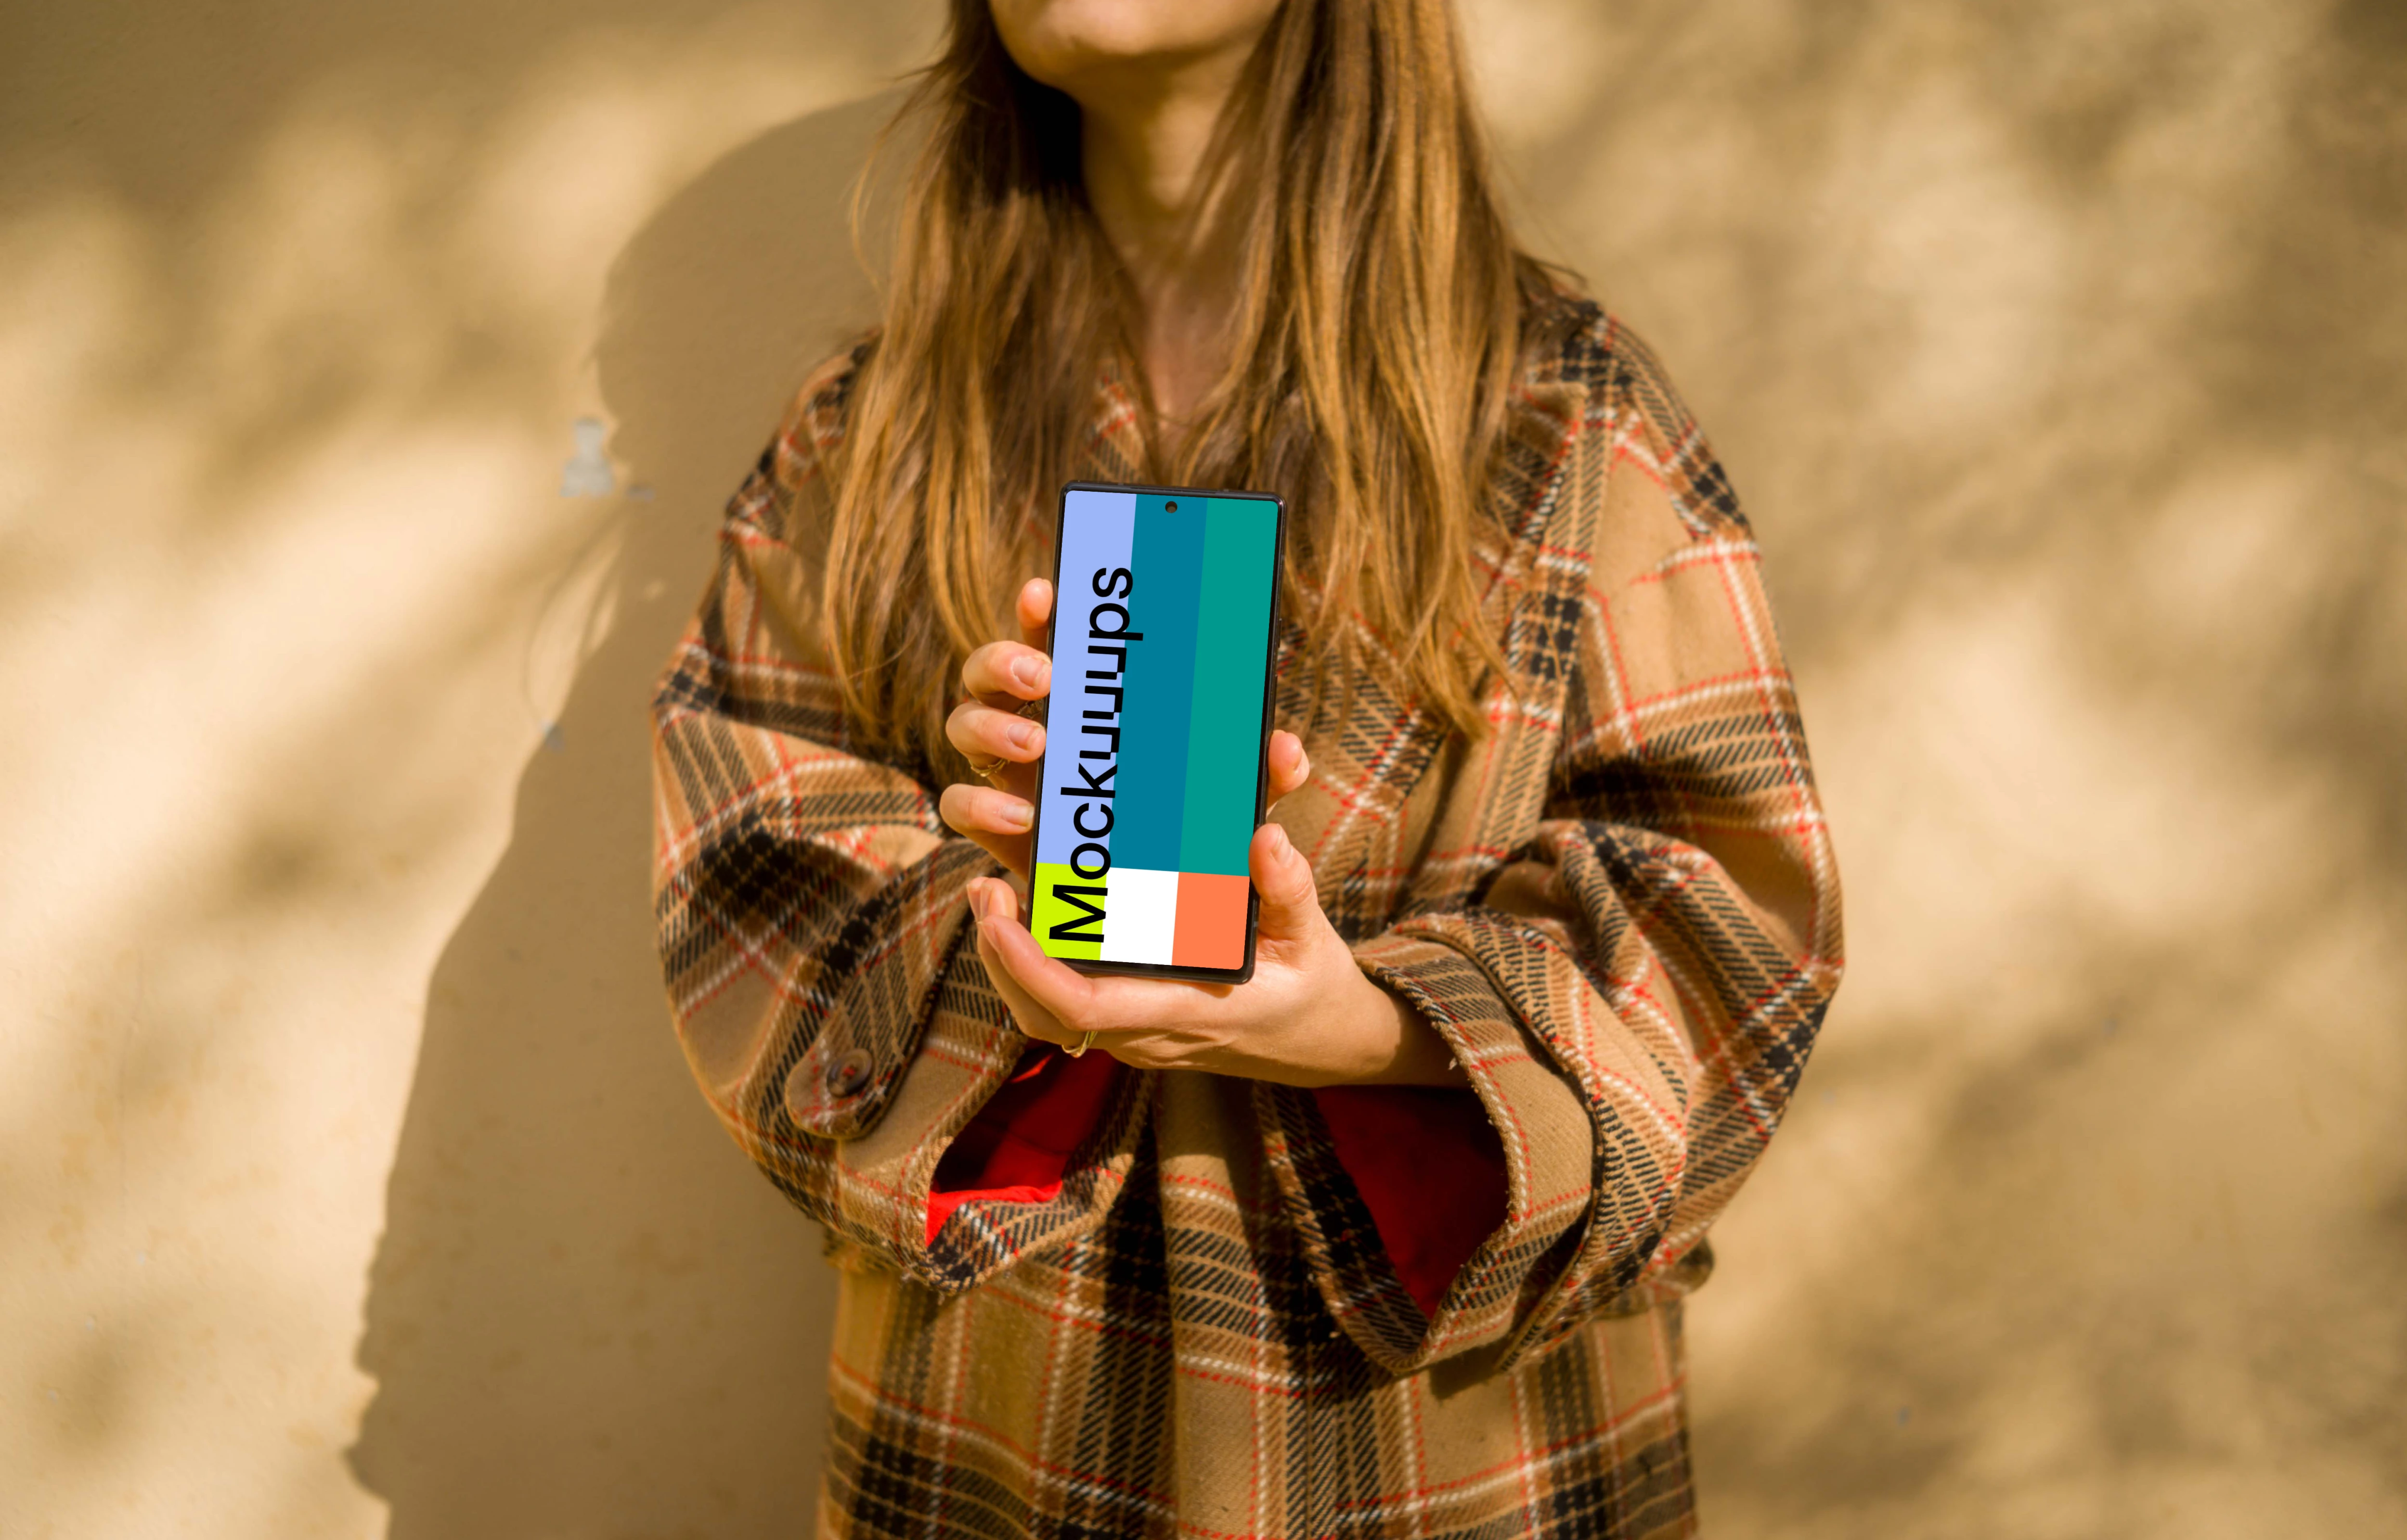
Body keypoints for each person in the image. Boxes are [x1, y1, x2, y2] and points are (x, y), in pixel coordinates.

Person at [647, 0, 1844, 1533]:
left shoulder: (1565, 413)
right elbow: (749, 862)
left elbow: (1734, 921)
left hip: (1448, 1452)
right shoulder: (873, 440)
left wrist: (1377, 1029)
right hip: (1006, 1432)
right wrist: (985, 931)